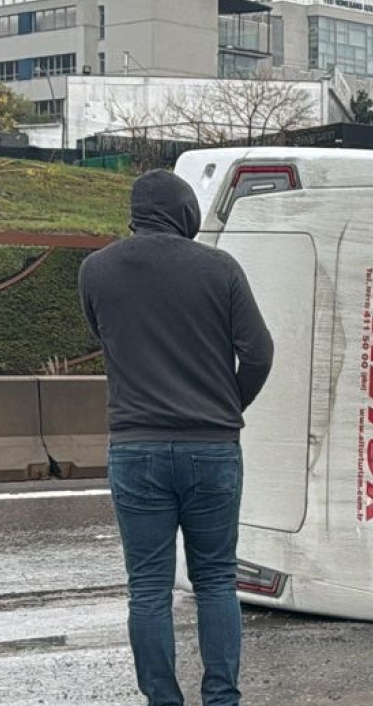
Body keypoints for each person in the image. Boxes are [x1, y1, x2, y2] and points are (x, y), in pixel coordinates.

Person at [79, 170, 274, 706]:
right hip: (212, 448)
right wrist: (229, 404)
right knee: (215, 582)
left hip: (135, 447)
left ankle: (162, 700)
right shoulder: (221, 269)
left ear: (136, 214)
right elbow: (259, 352)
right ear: (187, 212)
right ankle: (221, 699)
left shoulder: (96, 270)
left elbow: (103, 336)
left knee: (148, 589)